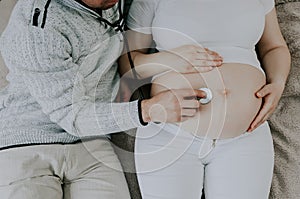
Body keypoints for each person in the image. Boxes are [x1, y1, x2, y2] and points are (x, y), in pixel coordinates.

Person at [0, 0, 209, 198]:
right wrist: (148, 110)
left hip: (93, 141)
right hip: (29, 143)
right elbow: (73, 116)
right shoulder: (37, 28)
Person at [119, 0, 291, 198]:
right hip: (169, 133)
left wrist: (278, 84)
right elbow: (128, 64)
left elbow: (274, 47)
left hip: (246, 134)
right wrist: (169, 59)